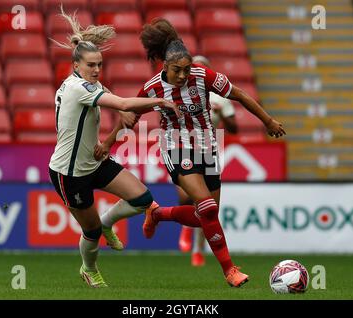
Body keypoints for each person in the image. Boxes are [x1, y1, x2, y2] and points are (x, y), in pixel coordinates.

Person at [136, 18, 286, 287]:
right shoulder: (152, 88)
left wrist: (268, 121)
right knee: (205, 205)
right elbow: (130, 111)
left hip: (207, 146)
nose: (183, 76)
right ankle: (230, 269)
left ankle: (158, 213)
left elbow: (238, 94)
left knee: (206, 215)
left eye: (186, 69)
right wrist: (110, 139)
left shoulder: (203, 75)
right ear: (165, 66)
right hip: (175, 145)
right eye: (177, 71)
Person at [48, 10, 181, 288]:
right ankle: (89, 268)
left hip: (93, 161)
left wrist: (106, 141)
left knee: (142, 199)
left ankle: (109, 222)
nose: (96, 70)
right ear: (75, 65)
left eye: (99, 64)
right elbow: (122, 104)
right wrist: (160, 103)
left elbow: (118, 110)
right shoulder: (77, 88)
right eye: (91, 65)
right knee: (91, 230)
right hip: (69, 172)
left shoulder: (90, 85)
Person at [177, 55, 238, 267]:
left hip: (208, 151)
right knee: (186, 198)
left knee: (207, 205)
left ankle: (198, 250)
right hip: (183, 149)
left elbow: (234, 128)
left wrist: (222, 114)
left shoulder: (220, 97)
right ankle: (186, 228)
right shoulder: (181, 92)